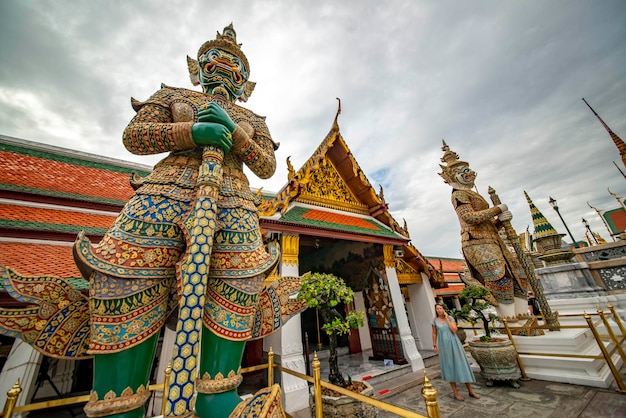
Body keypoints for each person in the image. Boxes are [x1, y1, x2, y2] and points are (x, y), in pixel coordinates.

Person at [71, 24, 305, 418]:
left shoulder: (253, 118)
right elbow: (135, 136)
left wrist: (234, 133)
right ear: (198, 68)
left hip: (233, 201)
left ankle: (217, 397)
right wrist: (192, 131)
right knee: (125, 277)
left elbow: (266, 167)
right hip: (166, 192)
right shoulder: (172, 96)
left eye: (236, 66)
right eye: (215, 60)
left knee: (237, 285)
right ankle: (118, 403)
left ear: (245, 81)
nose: (225, 68)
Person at [439, 140, 528, 320]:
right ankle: (509, 321)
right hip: (476, 242)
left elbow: (486, 224)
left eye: (468, 170)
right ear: (452, 176)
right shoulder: (459, 194)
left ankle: (523, 316)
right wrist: (497, 210)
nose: (470, 174)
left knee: (517, 277)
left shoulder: (474, 194)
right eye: (463, 172)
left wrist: (501, 221)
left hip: (493, 240)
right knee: (499, 279)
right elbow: (469, 218)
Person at [432, 303, 480, 401]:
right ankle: (455, 392)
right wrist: (434, 345)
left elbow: (454, 330)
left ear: (444, 309)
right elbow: (434, 333)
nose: (439, 310)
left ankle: (470, 390)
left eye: (441, 308)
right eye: (437, 309)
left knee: (461, 364)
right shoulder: (434, 321)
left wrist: (447, 319)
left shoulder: (450, 318)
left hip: (454, 344)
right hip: (444, 346)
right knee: (449, 367)